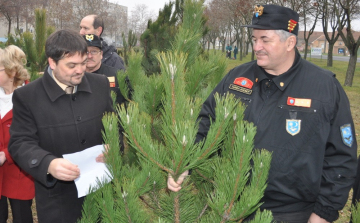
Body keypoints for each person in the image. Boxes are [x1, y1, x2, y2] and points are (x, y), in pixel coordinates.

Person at [168, 4, 357, 223]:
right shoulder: (236, 79)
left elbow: (342, 158)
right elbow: (207, 123)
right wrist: (187, 164)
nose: (257, 46)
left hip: (292, 214)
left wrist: (324, 213)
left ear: (290, 42)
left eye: (265, 40)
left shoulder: (324, 88)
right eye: (254, 39)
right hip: (231, 207)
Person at [8, 29, 114, 223]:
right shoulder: (28, 96)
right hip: (58, 200)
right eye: (71, 65)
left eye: (83, 63)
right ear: (52, 62)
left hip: (101, 193)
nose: (80, 70)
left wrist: (114, 146)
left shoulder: (100, 84)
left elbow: (114, 125)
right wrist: (48, 163)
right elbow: (20, 143)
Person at [0, 45, 34, 223]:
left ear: (12, 72)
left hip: (20, 172)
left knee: (22, 217)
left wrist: (6, 154)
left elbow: (33, 137)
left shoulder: (30, 98)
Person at [83, 34, 127, 107]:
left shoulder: (116, 75)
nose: (89, 56)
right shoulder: (76, 76)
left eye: (94, 51)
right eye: (86, 52)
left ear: (101, 54)